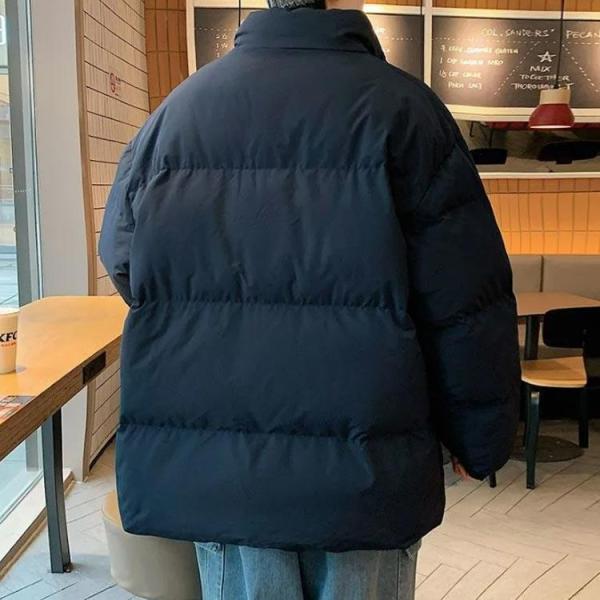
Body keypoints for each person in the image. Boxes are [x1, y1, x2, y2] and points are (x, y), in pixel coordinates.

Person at [99, 0, 520, 596]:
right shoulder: (406, 110)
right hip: (365, 458)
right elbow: (464, 294)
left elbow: (125, 262)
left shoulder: (177, 113)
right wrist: (479, 437)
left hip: (224, 462)